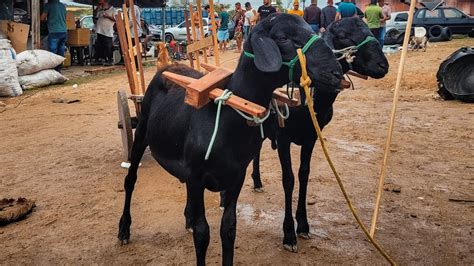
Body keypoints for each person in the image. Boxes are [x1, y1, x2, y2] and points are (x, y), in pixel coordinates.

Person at [40, 0, 67, 71]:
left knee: (53, 51)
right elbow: (64, 17)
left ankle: (53, 69)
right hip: (63, 30)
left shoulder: (48, 5)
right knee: (61, 50)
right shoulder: (62, 6)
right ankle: (59, 68)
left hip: (54, 31)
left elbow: (42, 18)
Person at [94, 0, 116, 65]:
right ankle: (101, 60)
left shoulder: (113, 10)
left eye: (102, 4)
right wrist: (97, 9)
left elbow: (115, 19)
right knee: (99, 46)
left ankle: (109, 60)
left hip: (108, 31)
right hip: (99, 30)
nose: (101, 5)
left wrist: (107, 16)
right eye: (101, 4)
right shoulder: (101, 10)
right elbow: (95, 18)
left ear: (107, 3)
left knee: (108, 46)